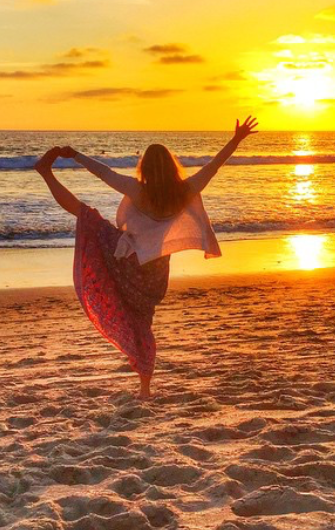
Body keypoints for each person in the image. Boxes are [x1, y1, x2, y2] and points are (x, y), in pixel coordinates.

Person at [34, 116, 259, 398]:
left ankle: (46, 174)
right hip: (154, 273)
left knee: (86, 215)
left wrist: (76, 155)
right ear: (171, 166)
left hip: (126, 261)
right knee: (143, 323)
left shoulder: (138, 190)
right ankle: (144, 387)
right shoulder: (185, 191)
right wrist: (237, 139)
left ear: (146, 167)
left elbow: (104, 173)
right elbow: (213, 167)